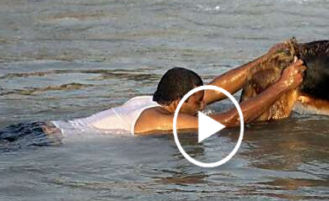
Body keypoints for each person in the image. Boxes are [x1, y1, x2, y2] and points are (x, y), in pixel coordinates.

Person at [47, 43, 305, 138]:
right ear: (179, 102)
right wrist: (283, 85)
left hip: (46, 127)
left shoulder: (146, 101)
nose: (203, 106)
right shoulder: (157, 119)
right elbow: (227, 121)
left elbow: (215, 90)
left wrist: (264, 61)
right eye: (198, 103)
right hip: (44, 141)